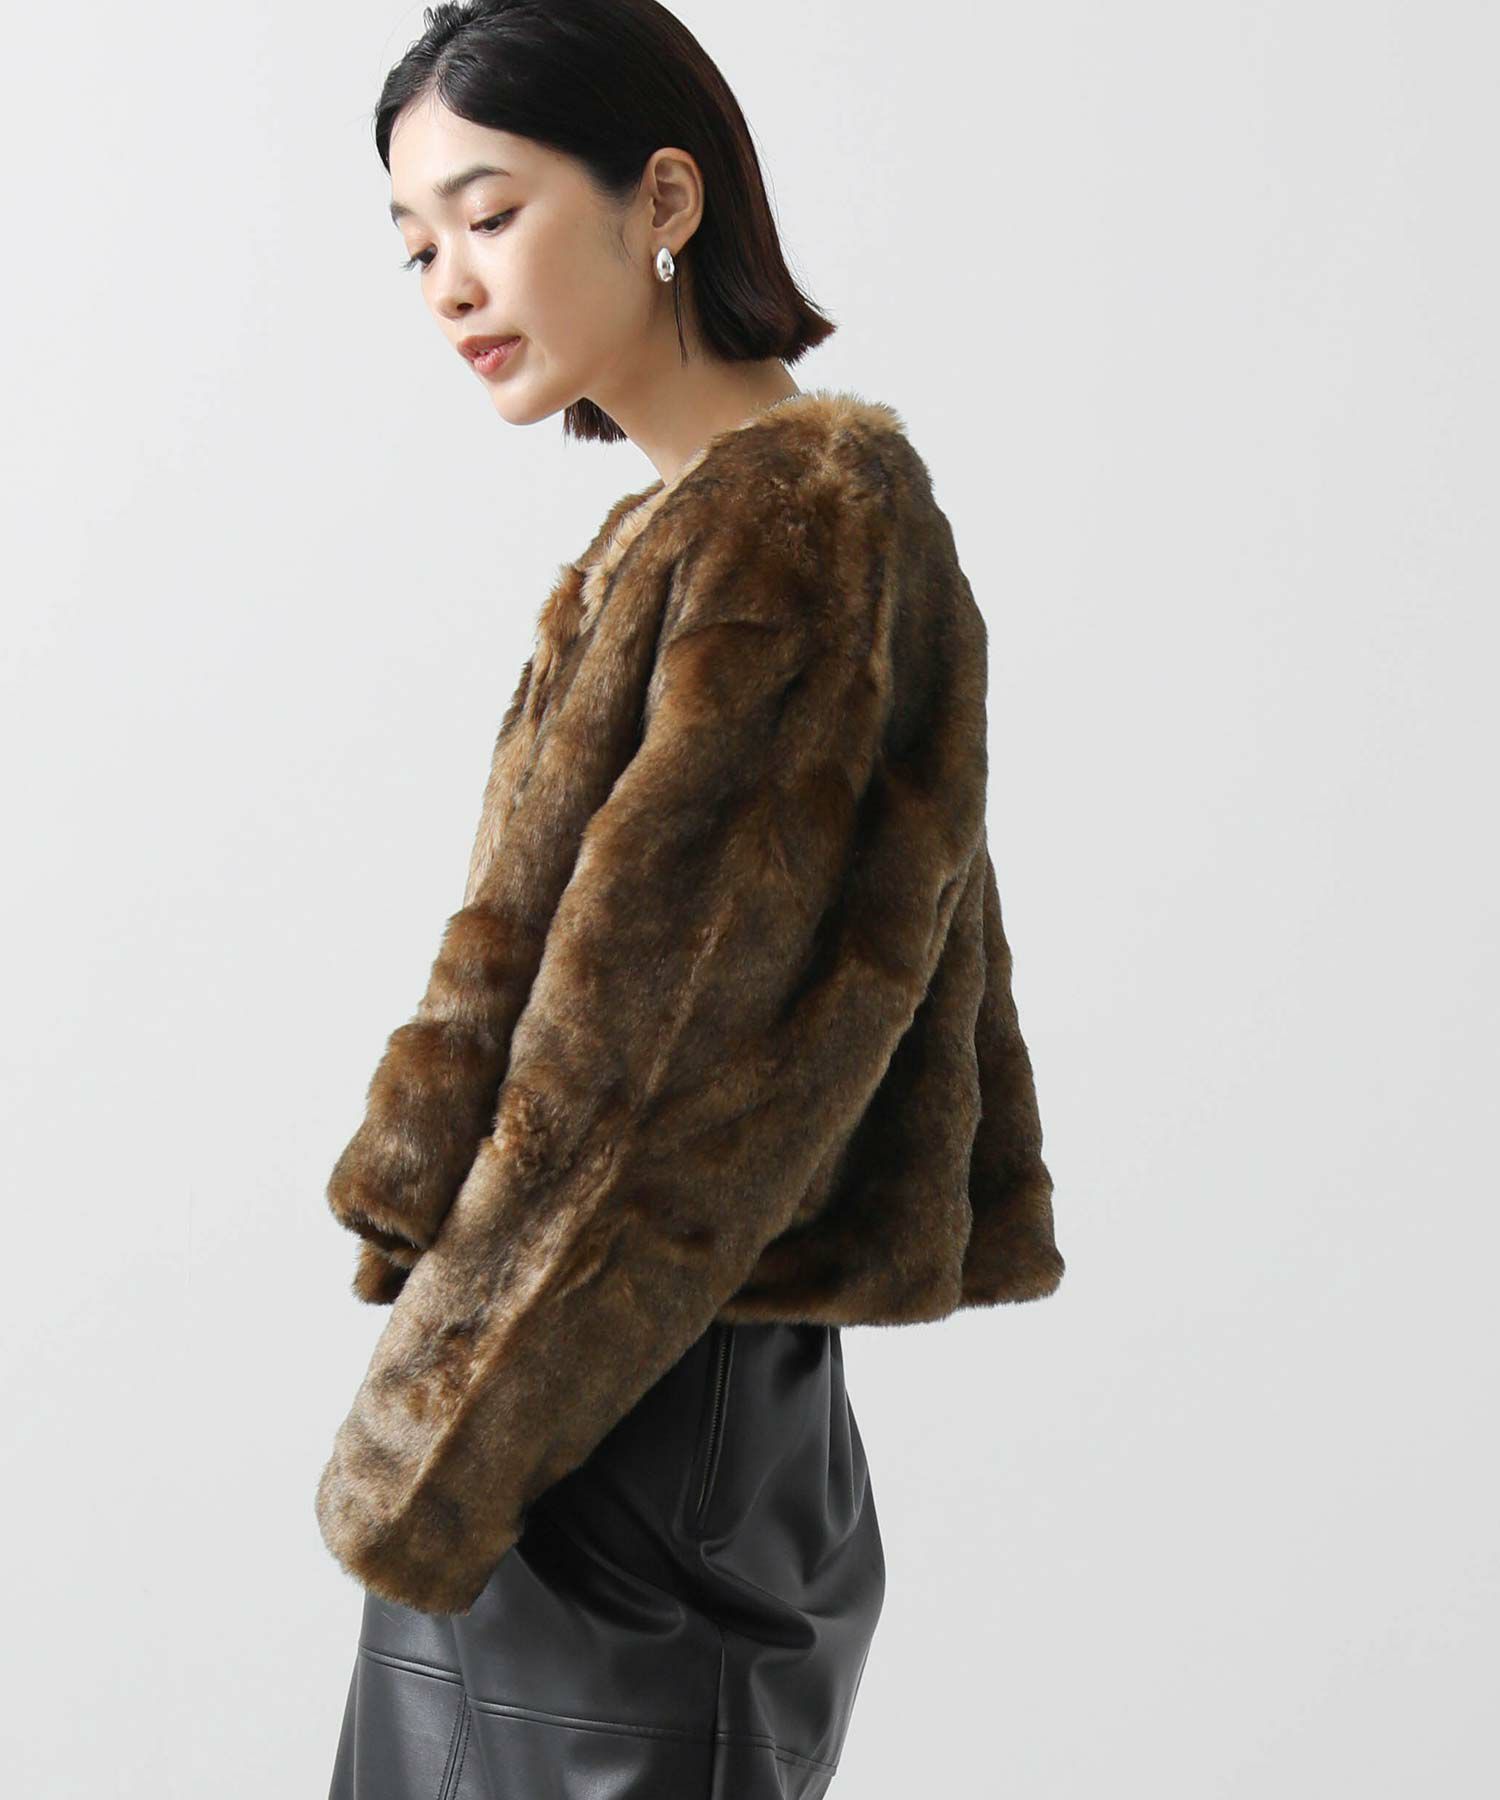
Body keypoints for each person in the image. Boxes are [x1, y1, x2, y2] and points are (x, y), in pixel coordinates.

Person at [320, 4, 1064, 1796]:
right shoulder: (686, 530)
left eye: (490, 213)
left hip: (622, 1435)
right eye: (416, 243)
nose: (448, 281)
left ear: (664, 198)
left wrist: (429, 1442)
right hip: (578, 1405)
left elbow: (653, 1067)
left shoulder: (795, 534)